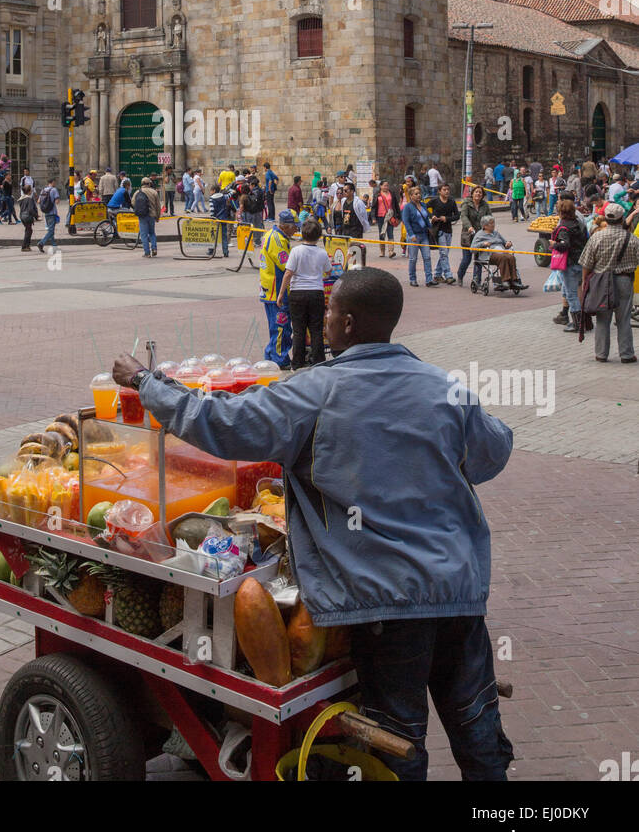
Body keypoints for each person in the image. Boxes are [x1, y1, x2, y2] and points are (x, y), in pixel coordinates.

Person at [113, 266, 514, 782]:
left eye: (328, 310)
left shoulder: (315, 391)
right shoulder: (445, 387)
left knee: (397, 741)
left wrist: (146, 382)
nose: (322, 319)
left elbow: (219, 423)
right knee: (477, 724)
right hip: (457, 588)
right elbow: (493, 450)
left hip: (385, 603)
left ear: (348, 323)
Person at [579, 202, 639, 363]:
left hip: (601, 281)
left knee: (602, 319)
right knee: (624, 319)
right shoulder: (632, 239)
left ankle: (601, 354)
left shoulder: (596, 237)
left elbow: (586, 263)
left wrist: (585, 280)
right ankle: (626, 354)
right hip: (624, 280)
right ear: (622, 219)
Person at [277, 218, 332, 369]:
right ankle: (319, 362)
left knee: (299, 330)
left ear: (302, 233)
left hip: (297, 294)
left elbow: (288, 274)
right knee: (316, 329)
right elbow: (328, 271)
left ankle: (297, 362)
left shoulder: (296, 251)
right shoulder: (322, 253)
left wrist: (281, 294)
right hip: (316, 293)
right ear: (319, 236)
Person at [258, 211, 297, 368]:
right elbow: (287, 265)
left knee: (276, 326)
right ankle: (280, 359)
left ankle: (271, 354)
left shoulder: (273, 235)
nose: (296, 230)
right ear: (286, 226)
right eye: (294, 227)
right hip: (276, 290)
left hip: (270, 288)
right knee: (281, 327)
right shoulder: (277, 240)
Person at [550, 198, 588, 333]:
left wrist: (555, 245)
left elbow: (565, 245)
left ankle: (578, 323)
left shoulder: (563, 227)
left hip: (570, 263)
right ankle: (586, 321)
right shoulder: (579, 224)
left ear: (561, 212)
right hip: (581, 261)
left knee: (571, 294)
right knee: (577, 291)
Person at [470, 218, 526, 290]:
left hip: (501, 251)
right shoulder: (479, 235)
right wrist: (483, 243)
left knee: (511, 257)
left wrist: (507, 244)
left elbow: (504, 242)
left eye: (494, 223)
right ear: (485, 226)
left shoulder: (496, 233)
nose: (493, 225)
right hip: (488, 254)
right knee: (503, 258)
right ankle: (505, 280)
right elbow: (472, 249)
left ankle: (514, 280)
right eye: (491, 223)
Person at [401, 187, 434, 288]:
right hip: (413, 236)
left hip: (424, 235)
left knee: (427, 257)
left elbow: (426, 218)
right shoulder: (408, 207)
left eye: (419, 193)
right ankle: (413, 279)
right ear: (411, 196)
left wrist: (430, 227)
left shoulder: (423, 205)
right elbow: (406, 222)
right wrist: (411, 235)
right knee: (413, 259)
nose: (418, 195)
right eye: (415, 194)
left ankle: (429, 279)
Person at [428, 183, 460, 285]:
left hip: (448, 231)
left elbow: (457, 216)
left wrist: (447, 219)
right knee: (443, 253)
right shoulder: (435, 201)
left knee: (444, 253)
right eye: (444, 190)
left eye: (448, 190)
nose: (446, 191)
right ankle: (448, 275)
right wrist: (431, 216)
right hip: (438, 230)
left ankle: (437, 274)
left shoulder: (451, 201)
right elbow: (423, 207)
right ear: (439, 191)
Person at [133, 176, 160, 257]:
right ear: (149, 183)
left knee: (144, 234)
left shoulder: (137, 192)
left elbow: (133, 202)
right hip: (152, 215)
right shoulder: (154, 192)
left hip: (142, 215)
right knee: (152, 233)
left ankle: (147, 253)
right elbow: (158, 206)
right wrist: (158, 216)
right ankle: (154, 248)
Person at [374, 179, 400, 258]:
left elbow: (396, 205)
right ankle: (382, 251)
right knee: (382, 233)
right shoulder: (377, 194)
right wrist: (373, 218)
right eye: (384, 185)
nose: (386, 187)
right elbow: (373, 207)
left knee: (390, 233)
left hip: (390, 216)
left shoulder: (392, 194)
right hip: (380, 216)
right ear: (380, 186)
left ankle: (391, 251)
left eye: (387, 185)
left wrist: (398, 216)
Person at [209, 181, 234, 258]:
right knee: (224, 236)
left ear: (214, 191)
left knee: (213, 236)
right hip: (223, 219)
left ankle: (212, 251)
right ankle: (225, 252)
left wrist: (212, 217)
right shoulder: (224, 197)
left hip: (216, 219)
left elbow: (212, 210)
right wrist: (226, 189)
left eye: (211, 190)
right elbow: (232, 192)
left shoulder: (211, 199)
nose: (210, 192)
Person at [38, 181, 61, 249]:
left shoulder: (43, 190)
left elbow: (38, 201)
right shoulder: (54, 190)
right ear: (53, 182)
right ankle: (41, 243)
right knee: (51, 230)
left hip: (46, 212)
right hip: (52, 212)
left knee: (51, 229)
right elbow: (57, 202)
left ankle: (53, 244)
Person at [19, 184, 39, 251]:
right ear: (29, 191)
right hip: (27, 217)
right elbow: (30, 209)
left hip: (22, 216)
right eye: (31, 190)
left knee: (28, 230)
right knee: (28, 231)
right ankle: (24, 246)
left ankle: (27, 246)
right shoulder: (29, 199)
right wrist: (36, 216)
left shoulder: (22, 198)